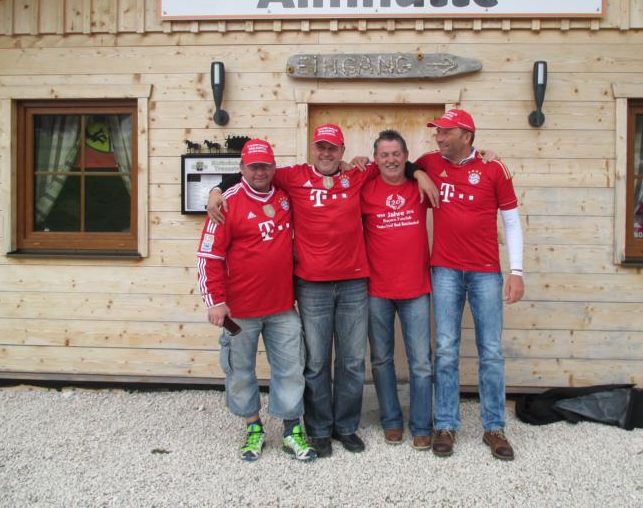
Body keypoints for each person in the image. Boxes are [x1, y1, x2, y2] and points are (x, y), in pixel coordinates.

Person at [207, 124, 438, 458]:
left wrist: (419, 173)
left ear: (342, 151)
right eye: (321, 147)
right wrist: (217, 189)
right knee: (315, 363)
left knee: (352, 361)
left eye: (333, 148)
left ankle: (345, 426)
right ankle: (318, 430)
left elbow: (394, 164)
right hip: (312, 285)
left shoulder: (358, 174)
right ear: (312, 149)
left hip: (354, 283)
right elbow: (255, 175)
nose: (326, 153)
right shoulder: (293, 177)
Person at [196, 139, 316, 462]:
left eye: (265, 166)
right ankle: (253, 427)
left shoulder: (285, 196)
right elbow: (208, 256)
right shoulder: (227, 204)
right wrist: (215, 301)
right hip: (239, 312)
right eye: (253, 166)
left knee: (291, 368)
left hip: (282, 307)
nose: (260, 172)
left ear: (274, 167)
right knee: (240, 370)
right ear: (241, 168)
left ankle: (292, 430)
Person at [415, 108, 524, 461]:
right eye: (438, 132)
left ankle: (494, 428)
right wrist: (419, 174)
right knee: (446, 349)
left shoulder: (494, 168)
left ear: (467, 136)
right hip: (445, 270)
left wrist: (517, 271)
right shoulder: (431, 162)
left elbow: (511, 221)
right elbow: (404, 166)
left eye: (446, 132)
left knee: (490, 351)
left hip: (485, 273)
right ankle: (446, 425)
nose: (439, 138)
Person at [360, 130, 433, 451]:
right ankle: (391, 421)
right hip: (377, 290)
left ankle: (421, 425)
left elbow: (444, 166)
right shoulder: (365, 189)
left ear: (405, 156)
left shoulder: (421, 185)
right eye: (384, 155)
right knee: (381, 360)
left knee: (421, 362)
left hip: (416, 288)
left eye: (396, 154)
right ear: (376, 159)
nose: (391, 160)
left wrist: (419, 173)